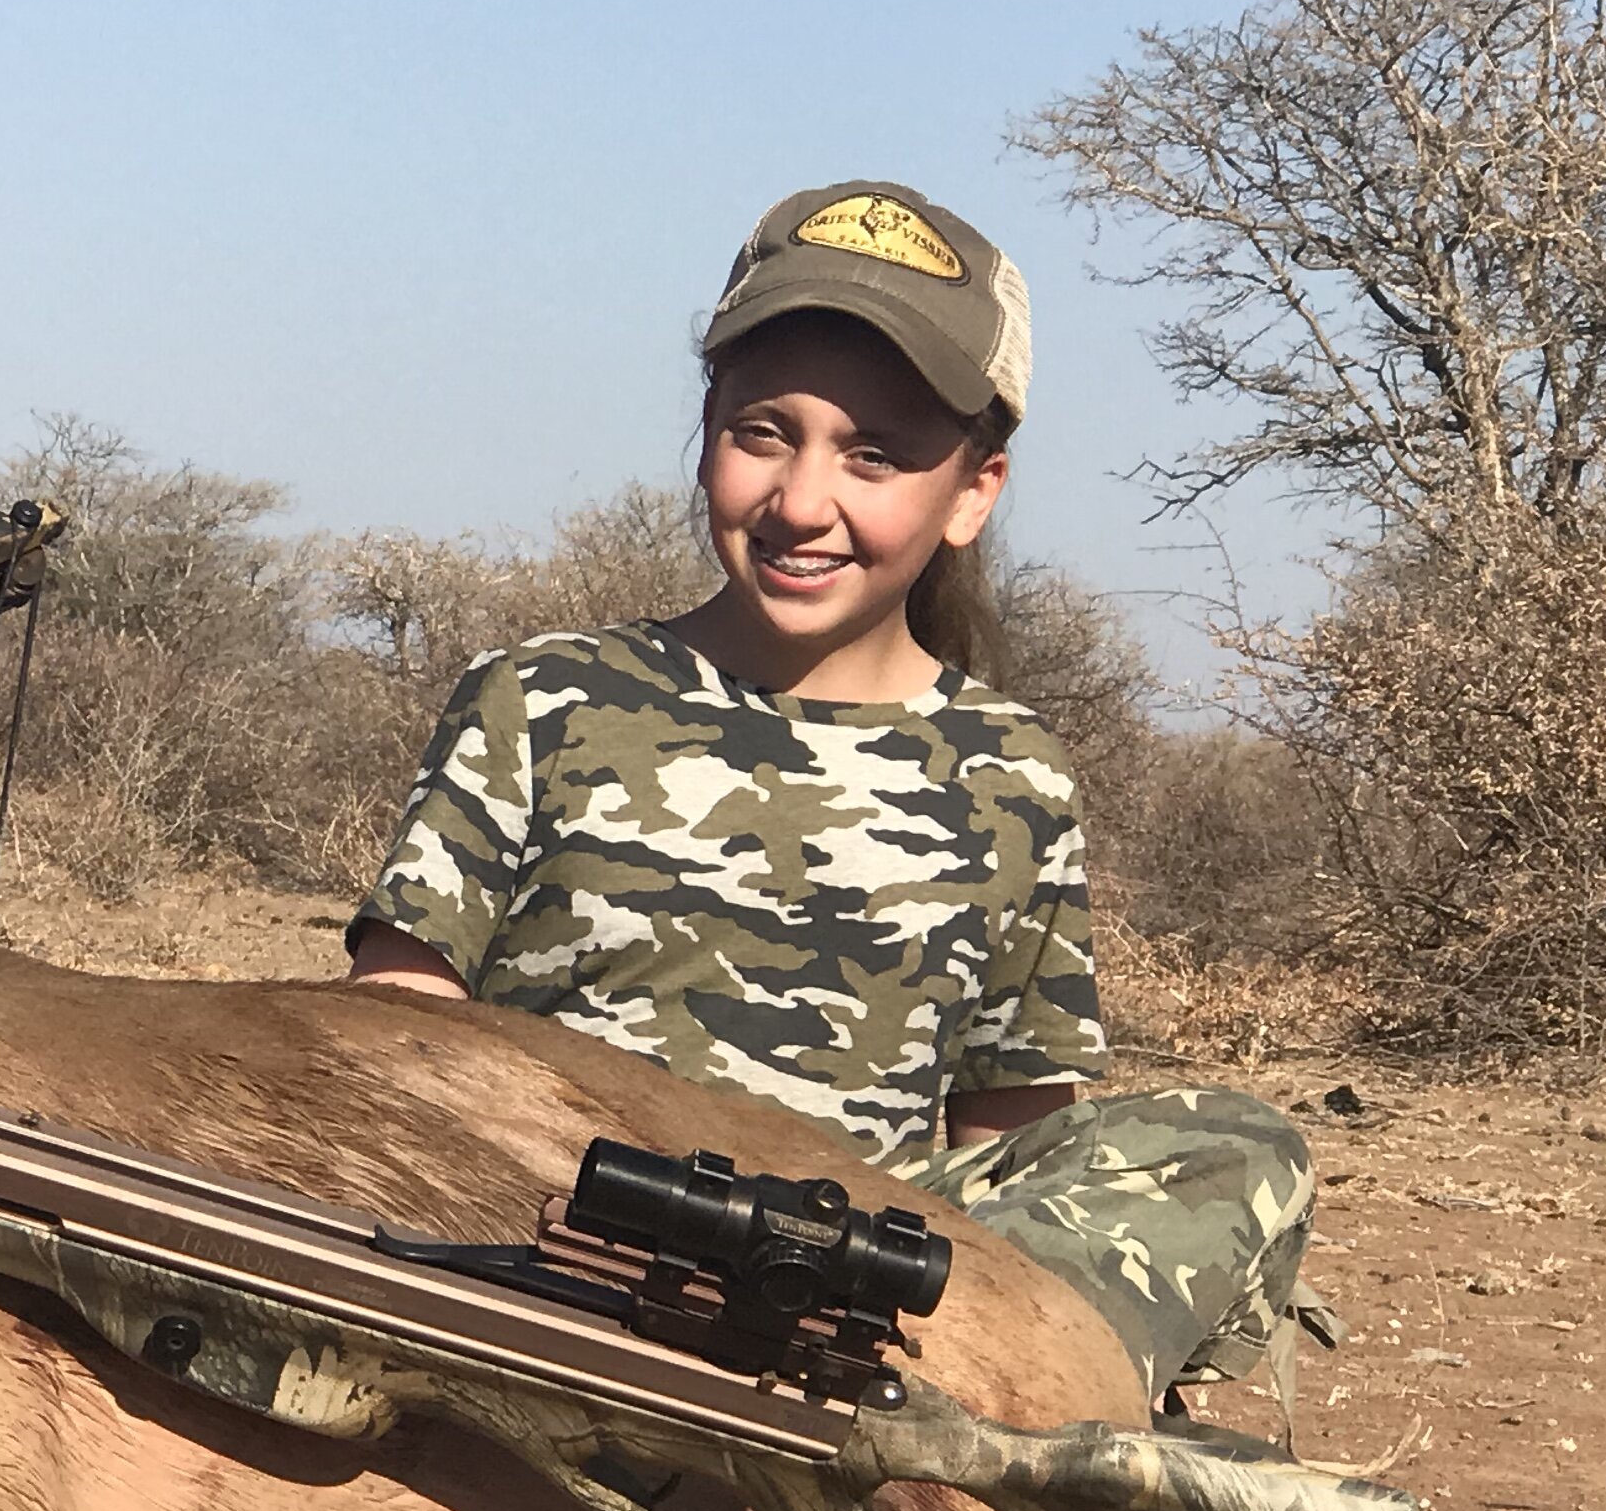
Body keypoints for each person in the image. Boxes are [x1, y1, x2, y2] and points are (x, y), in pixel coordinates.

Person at [343, 181, 1328, 1417]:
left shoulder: (1012, 773)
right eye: (766, 433)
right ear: (706, 428)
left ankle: (999, 1445)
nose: (804, 503)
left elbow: (1009, 1152)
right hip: (548, 1262)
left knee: (1239, 1151)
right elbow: (387, 1040)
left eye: (876, 455)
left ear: (975, 492)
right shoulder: (542, 698)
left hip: (847, 1322)